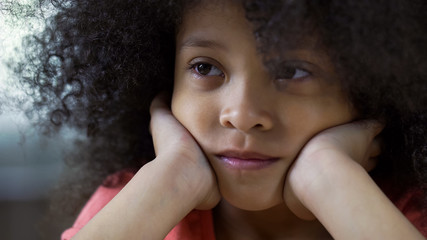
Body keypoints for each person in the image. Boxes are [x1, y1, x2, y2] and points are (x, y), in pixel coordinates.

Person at [17, 0, 427, 239]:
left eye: (293, 72)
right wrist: (173, 177)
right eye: (205, 67)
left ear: (372, 90)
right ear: (164, 77)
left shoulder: (400, 217)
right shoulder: (136, 207)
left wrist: (331, 180)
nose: (242, 115)